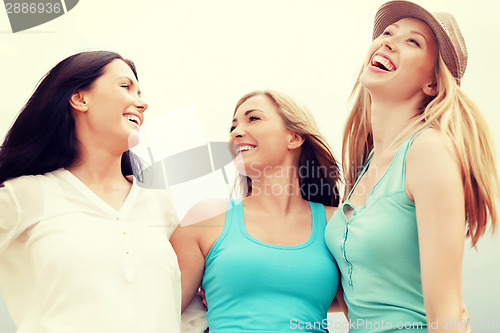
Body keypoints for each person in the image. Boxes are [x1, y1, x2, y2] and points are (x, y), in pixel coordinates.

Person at [325, 1, 500, 332]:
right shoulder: (366, 169)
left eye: (413, 41)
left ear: (432, 84)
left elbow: (448, 312)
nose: (388, 41)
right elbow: (359, 287)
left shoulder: (428, 150)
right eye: (389, 33)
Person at [0, 51, 181, 332]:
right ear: (79, 98)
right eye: (125, 87)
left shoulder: (159, 202)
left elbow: (188, 307)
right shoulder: (23, 195)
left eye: (140, 92)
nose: (142, 103)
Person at [171, 90, 342, 332]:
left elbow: (367, 305)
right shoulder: (206, 218)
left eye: (253, 118)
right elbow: (157, 312)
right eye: (233, 126)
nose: (236, 132)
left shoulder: (336, 224)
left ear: (294, 137)